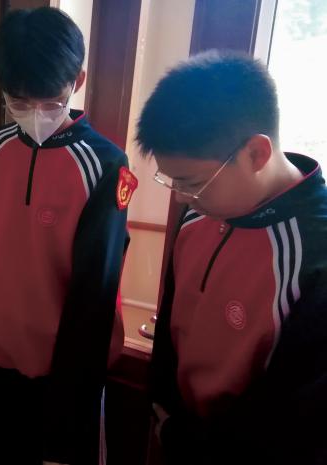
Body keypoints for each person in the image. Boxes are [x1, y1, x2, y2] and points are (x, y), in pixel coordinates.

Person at [0, 7, 135, 465]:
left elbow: (96, 291)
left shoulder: (106, 165)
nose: (35, 114)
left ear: (78, 81)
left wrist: (66, 413)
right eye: (19, 101)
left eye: (51, 101)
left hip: (67, 373)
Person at [136, 51, 327, 465]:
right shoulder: (198, 216)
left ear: (256, 154)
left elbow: (295, 420)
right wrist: (164, 417)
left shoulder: (315, 253)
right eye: (173, 182)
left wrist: (185, 439)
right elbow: (170, 329)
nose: (182, 198)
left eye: (192, 182)